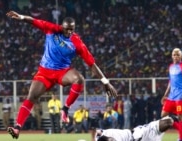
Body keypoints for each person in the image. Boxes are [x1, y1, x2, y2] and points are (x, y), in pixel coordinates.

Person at [6, 10, 117, 139]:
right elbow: (34, 21)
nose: (69, 32)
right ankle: (17, 128)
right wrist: (20, 17)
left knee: (79, 79)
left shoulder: (77, 43)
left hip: (62, 72)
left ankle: (65, 109)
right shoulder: (52, 29)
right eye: (67, 29)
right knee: (31, 96)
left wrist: (106, 82)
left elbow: (92, 64)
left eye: (72, 29)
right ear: (62, 26)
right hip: (44, 72)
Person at [161, 48, 182, 141]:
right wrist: (165, 94)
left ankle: (181, 138)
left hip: (180, 97)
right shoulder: (171, 66)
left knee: (180, 116)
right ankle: (181, 129)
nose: (176, 56)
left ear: (181, 56)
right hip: (171, 96)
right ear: (172, 56)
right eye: (174, 55)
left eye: (178, 55)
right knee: (163, 115)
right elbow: (170, 81)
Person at [92, 116, 176, 141]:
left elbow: (95, 131)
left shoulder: (105, 134)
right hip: (139, 137)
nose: (112, 140)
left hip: (137, 133)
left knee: (169, 121)